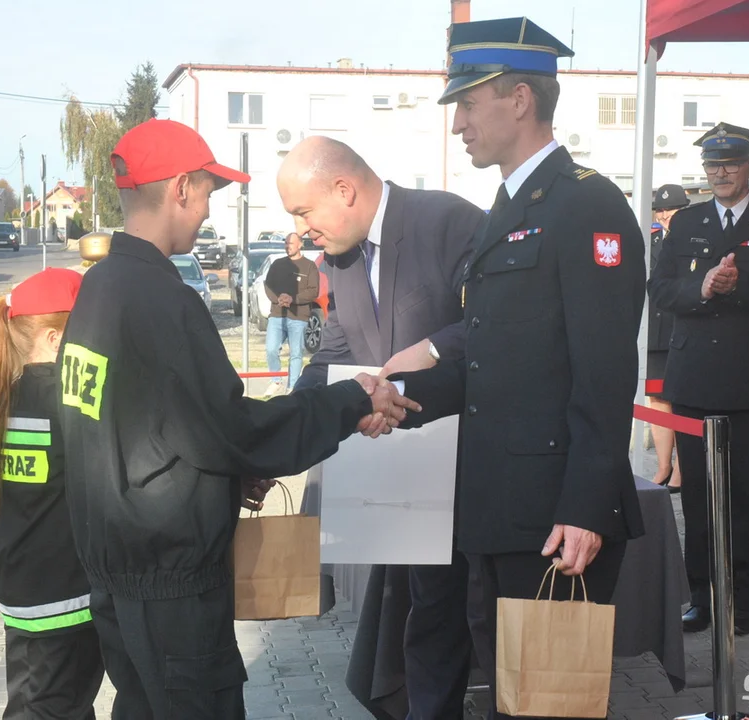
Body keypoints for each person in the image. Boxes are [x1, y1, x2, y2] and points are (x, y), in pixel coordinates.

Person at [57, 118, 420, 720]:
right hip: (171, 586)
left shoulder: (99, 290)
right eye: (206, 193)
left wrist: (222, 478)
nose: (206, 212)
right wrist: (350, 398)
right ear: (179, 188)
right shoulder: (161, 299)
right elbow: (234, 431)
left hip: (117, 575)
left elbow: (145, 430)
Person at [387, 18, 646, 720]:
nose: (458, 125)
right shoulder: (509, 206)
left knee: (547, 703)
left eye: (468, 105)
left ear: (520, 99)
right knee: (511, 692)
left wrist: (586, 506)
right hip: (499, 505)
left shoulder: (586, 203)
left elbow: (604, 370)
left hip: (554, 515)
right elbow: (494, 358)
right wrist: (394, 395)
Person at [279, 135, 485, 720]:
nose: (302, 229)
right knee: (423, 616)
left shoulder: (447, 221)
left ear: (344, 189)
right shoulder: (339, 260)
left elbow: (505, 320)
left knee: (467, 619)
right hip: (401, 473)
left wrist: (436, 349)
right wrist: (286, 421)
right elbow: (334, 354)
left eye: (303, 212)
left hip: (472, 462)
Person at [649, 122, 749, 636]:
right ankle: (700, 595)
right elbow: (663, 290)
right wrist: (704, 286)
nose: (720, 172)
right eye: (712, 165)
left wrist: (738, 286)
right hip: (695, 381)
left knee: (746, 496)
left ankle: (742, 601)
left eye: (730, 163)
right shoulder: (686, 222)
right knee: (697, 495)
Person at [0, 268, 104, 718]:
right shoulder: (68, 401)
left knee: (42, 706)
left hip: (24, 590)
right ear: (54, 338)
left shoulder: (8, 399)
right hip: (68, 597)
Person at [647, 183, 690, 493]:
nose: (664, 215)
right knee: (656, 401)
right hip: (655, 332)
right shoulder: (651, 241)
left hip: (682, 329)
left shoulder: (691, 241)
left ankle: (683, 469)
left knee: (679, 400)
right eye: (660, 210)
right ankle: (664, 465)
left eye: (671, 209)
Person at [263, 232, 319, 395]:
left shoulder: (309, 266)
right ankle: (276, 381)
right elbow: (268, 285)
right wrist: (278, 299)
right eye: (286, 244)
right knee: (271, 348)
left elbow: (313, 291)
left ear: (300, 244)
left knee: (296, 353)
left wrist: (293, 299)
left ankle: (292, 387)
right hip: (277, 314)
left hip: (299, 317)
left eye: (291, 244)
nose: (288, 246)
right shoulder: (277, 264)